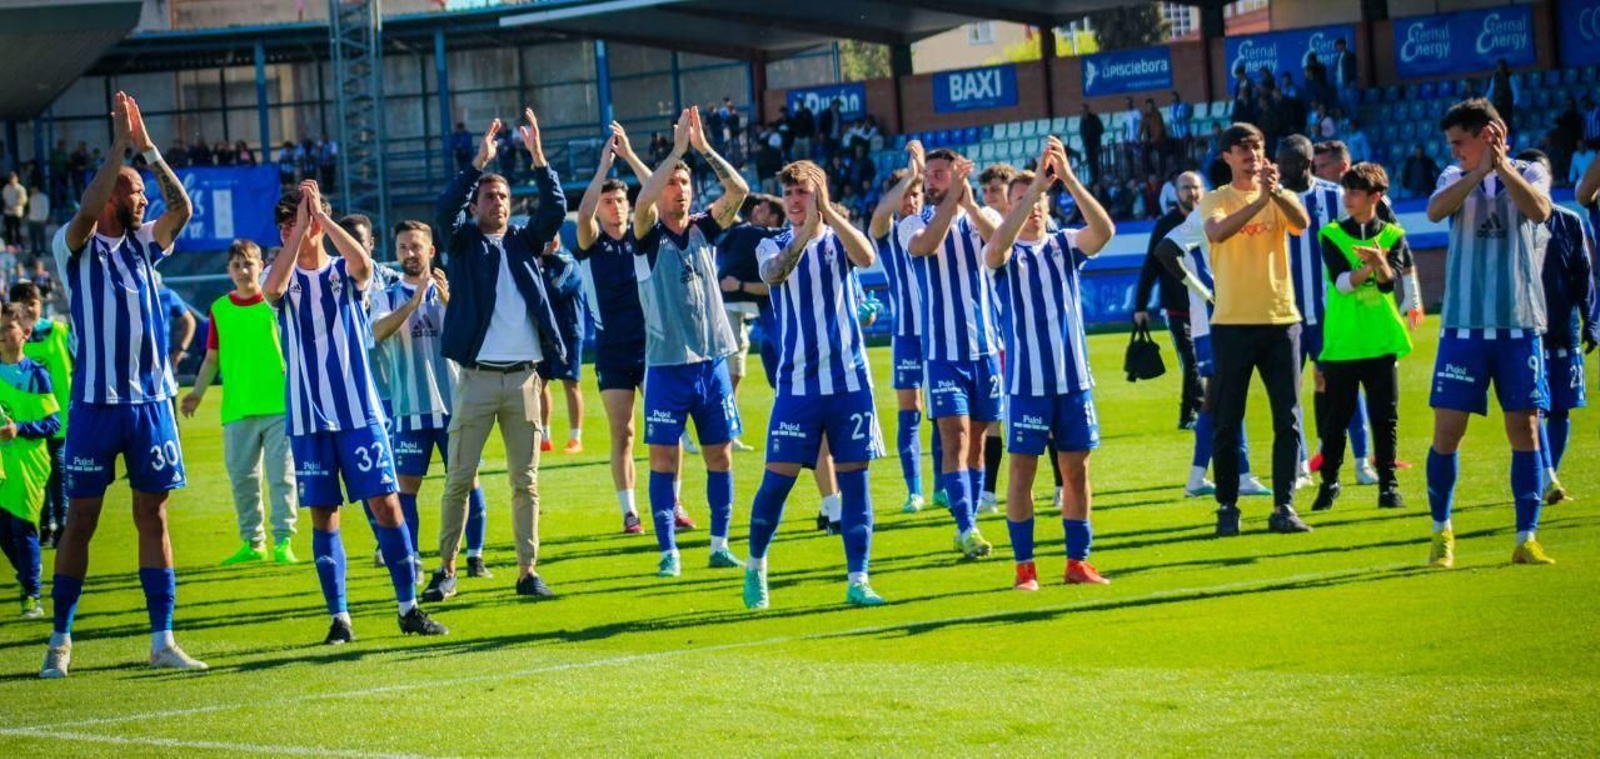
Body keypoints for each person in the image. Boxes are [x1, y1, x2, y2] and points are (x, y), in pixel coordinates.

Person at [43, 91, 206, 678]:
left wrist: (149, 151)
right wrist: (118, 146)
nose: (143, 199)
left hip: (151, 405)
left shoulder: (145, 246)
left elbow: (182, 207)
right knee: (81, 518)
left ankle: (162, 639)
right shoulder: (75, 244)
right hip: (94, 404)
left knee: (153, 516)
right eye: (134, 191)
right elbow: (88, 207)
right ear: (112, 193)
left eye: (142, 192)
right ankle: (61, 639)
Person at [264, 180, 448, 643]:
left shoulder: (344, 273)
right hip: (309, 419)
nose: (297, 229)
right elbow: (272, 289)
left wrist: (320, 220)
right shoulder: (281, 275)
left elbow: (364, 263)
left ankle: (408, 608)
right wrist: (303, 226)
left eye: (300, 219)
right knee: (324, 515)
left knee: (387, 506)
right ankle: (340, 617)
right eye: (288, 224)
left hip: (358, 413)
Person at [424, 111, 567, 602]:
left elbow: (555, 206)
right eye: (490, 196)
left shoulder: (526, 242)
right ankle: (445, 570)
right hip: (478, 380)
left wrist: (539, 158)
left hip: (525, 380)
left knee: (525, 483)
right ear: (478, 203)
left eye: (504, 196)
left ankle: (528, 572)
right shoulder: (462, 243)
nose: (499, 203)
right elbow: (445, 209)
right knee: (459, 479)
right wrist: (477, 164)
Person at [740, 159, 884, 609]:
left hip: (849, 383)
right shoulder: (772, 243)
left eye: (803, 191)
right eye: (790, 194)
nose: (796, 200)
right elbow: (774, 273)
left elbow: (867, 256)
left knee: (855, 483)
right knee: (776, 483)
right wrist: (806, 231)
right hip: (798, 387)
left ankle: (858, 579)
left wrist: (832, 215)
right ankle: (755, 568)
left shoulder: (839, 241)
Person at [1423, 98, 1554, 569]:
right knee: (1448, 433)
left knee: (1525, 429)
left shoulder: (1531, 172)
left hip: (1519, 324)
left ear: (1489, 134)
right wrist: (1478, 173)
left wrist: (1502, 170)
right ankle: (1442, 534)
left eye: (1461, 142)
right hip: (1464, 326)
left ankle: (1526, 538)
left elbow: (1539, 211)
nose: (1454, 150)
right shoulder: (1452, 176)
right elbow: (1437, 211)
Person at [984, 138, 1116, 590]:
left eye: (1039, 199)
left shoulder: (1064, 244)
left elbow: (1105, 231)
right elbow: (996, 247)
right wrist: (1034, 186)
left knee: (1077, 471)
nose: (1034, 205)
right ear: (1009, 206)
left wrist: (1068, 179)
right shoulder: (1002, 251)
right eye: (1022, 200)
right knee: (1022, 472)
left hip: (1072, 379)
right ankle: (1025, 568)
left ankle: (1078, 562)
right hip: (1026, 383)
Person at [630, 106, 750, 578]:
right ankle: (668, 551)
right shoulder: (647, 234)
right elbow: (641, 204)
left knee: (720, 454)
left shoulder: (704, 227)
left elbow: (738, 191)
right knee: (663, 458)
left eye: (685, 183)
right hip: (665, 367)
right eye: (672, 184)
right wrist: (675, 152)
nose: (680, 190)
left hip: (711, 364)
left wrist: (701, 150)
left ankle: (720, 543)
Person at [574, 122, 692, 535]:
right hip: (613, 350)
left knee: (666, 429)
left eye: (620, 200)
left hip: (655, 346)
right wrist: (601, 168)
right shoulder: (591, 242)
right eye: (609, 201)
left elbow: (656, 195)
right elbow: (583, 215)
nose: (616, 207)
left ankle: (674, 504)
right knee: (622, 432)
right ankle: (629, 511)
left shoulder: (644, 235)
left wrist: (628, 158)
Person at [1201, 122, 1314, 536]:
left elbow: (1302, 223)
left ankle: (1283, 506)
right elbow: (1218, 232)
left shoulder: (1280, 196)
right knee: (1228, 419)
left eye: (1257, 147)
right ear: (1227, 157)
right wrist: (1258, 201)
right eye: (1241, 149)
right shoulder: (1216, 198)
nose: (1251, 154)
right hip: (1232, 323)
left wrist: (1277, 194)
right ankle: (1228, 507)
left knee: (1288, 417)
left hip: (1281, 320)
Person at [369, 220, 493, 584]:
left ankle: (475, 556)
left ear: (431, 250)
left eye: (416, 246)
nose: (410, 253)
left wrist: (446, 299)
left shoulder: (450, 289)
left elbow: (473, 332)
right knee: (407, 486)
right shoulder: (388, 295)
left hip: (456, 405)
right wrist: (412, 303)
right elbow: (376, 332)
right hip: (410, 409)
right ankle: (412, 558)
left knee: (467, 480)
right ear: (396, 253)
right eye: (403, 247)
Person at [899, 146, 1002, 558]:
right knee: (954, 438)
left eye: (945, 173)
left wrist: (971, 205)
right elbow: (925, 245)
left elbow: (1003, 244)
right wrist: (954, 200)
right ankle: (967, 525)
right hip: (942, 353)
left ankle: (968, 522)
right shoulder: (912, 222)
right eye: (934, 174)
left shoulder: (983, 218)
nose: (937, 180)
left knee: (977, 443)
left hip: (985, 349)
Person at [180, 240, 298, 566]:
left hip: (279, 406)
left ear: (262, 266)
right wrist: (196, 394)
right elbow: (211, 359)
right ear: (229, 271)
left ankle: (283, 541)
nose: (244, 271)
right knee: (244, 480)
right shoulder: (220, 309)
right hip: (237, 409)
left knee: (282, 478)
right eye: (237, 265)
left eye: (249, 264)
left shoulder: (276, 303)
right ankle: (253, 543)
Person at [1309, 163, 1413, 513]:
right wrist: (1369, 265)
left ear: (1376, 196)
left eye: (1355, 192)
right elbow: (1341, 284)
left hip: (1381, 340)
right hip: (1343, 341)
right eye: (1346, 191)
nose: (1347, 198)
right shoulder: (1332, 234)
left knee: (1386, 418)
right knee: (1336, 420)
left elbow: (1387, 284)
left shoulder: (1394, 235)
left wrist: (1381, 265)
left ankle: (1388, 486)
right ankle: (1330, 484)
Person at [1277, 135, 1372, 490]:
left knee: (1347, 385)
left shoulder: (1334, 198)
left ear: (1305, 164)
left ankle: (1362, 462)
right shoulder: (1273, 202)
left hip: (1332, 314)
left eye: (1286, 162)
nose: (1279, 169)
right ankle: (1301, 466)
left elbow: (1368, 230)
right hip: (1287, 315)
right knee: (1289, 392)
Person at [1514, 149, 1596, 505]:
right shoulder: (1513, 225)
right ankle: (1544, 474)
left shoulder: (1570, 222)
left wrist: (1591, 321)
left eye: (1541, 175)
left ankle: (1550, 474)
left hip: (1564, 329)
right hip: (1527, 329)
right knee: (1537, 408)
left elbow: (1584, 276)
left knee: (1561, 408)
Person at [870, 155, 942, 514]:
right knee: (909, 411)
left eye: (916, 193)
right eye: (904, 194)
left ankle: (943, 485)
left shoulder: (931, 223)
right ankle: (914, 490)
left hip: (940, 331)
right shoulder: (886, 234)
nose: (911, 200)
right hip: (906, 334)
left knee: (942, 411)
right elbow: (878, 218)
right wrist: (910, 174)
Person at [0, 304, 59, 620]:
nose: (2, 333)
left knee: (22, 528)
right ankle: (26, 575)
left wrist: (19, 429)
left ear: (24, 333)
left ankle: (31, 595)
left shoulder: (36, 375)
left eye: (8, 326)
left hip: (28, 461)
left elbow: (52, 422)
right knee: (3, 532)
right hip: (0, 463)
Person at [1135, 170, 1205, 429]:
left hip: (1208, 306)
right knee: (1192, 361)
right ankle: (1195, 412)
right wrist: (1140, 306)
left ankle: (1194, 412)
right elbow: (1150, 266)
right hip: (1177, 309)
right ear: (1176, 193)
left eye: (1195, 187)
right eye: (1186, 187)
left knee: (1207, 363)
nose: (1191, 192)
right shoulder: (1166, 224)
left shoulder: (1212, 220)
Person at [13, 283, 70, 549]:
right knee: (37, 476)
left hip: (58, 420)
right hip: (26, 422)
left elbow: (76, 365)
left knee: (58, 471)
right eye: (22, 304)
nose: (29, 308)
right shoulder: (9, 338)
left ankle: (64, 522)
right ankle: (46, 524)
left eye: (32, 302)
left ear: (40, 303)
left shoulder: (58, 331)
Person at [535, 236, 586, 455]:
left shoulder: (568, 262)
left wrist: (537, 273)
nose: (548, 241)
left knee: (570, 382)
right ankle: (544, 437)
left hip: (568, 332)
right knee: (540, 382)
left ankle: (576, 438)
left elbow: (554, 290)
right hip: (544, 332)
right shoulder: (540, 262)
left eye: (551, 235)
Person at [153, 273, 196, 374]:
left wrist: (181, 348)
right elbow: (189, 321)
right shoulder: (166, 294)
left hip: (162, 353)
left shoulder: (166, 295)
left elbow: (189, 321)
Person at [1080, 103, 1104, 185]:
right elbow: (1082, 133)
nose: (1083, 112)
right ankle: (1093, 179)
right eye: (1081, 111)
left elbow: (1101, 129)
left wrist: (1092, 134)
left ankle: (1097, 179)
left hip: (1095, 145)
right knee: (1091, 164)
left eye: (1084, 110)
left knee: (1096, 163)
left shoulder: (1094, 118)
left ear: (1087, 110)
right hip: (1088, 146)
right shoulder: (1082, 121)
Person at [25, 183, 49, 258]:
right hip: (32, 219)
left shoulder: (43, 197)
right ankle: (34, 250)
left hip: (40, 220)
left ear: (36, 188)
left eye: (32, 188)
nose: (31, 190)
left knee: (41, 237)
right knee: (33, 237)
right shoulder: (31, 197)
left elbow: (46, 208)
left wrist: (44, 218)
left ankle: (43, 250)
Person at [3, 173, 26, 248]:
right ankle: (10, 245)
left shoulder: (20, 188)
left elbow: (23, 200)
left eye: (13, 178)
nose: (12, 180)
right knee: (8, 230)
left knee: (17, 230)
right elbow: (4, 198)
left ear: (16, 179)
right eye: (10, 179)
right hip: (8, 212)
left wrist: (15, 205)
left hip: (17, 212)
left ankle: (19, 245)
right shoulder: (6, 188)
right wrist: (7, 205)